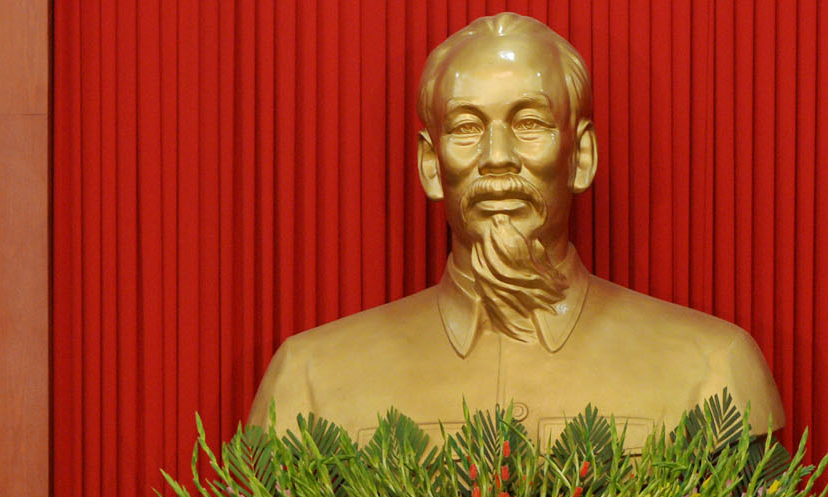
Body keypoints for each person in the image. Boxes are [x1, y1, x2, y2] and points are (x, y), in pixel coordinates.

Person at [248, 11, 783, 447]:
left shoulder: (713, 372)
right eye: (465, 128)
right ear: (431, 165)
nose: (497, 158)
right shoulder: (309, 380)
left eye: (530, 123)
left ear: (582, 156)